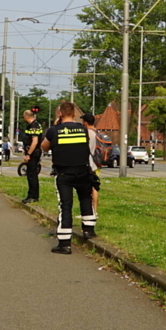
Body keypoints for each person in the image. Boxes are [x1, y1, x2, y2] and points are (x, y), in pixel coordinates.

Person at [41, 102, 96, 254]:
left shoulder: (54, 130)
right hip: (83, 171)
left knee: (65, 206)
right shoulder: (83, 129)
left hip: (64, 173)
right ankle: (88, 230)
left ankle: (65, 243)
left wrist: (54, 128)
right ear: (74, 114)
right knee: (85, 198)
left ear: (60, 113)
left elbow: (44, 147)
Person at [20, 109, 44, 203]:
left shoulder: (33, 126)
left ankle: (32, 196)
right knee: (32, 174)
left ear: (26, 116)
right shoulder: (35, 124)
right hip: (34, 152)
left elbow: (35, 141)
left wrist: (28, 154)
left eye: (24, 117)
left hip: (33, 153)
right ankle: (33, 195)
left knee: (31, 175)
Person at [81, 113, 101, 216]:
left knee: (89, 188)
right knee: (95, 187)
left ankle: (90, 211)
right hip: (96, 163)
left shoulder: (88, 133)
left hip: (89, 163)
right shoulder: (97, 132)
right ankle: (94, 211)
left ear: (85, 122)